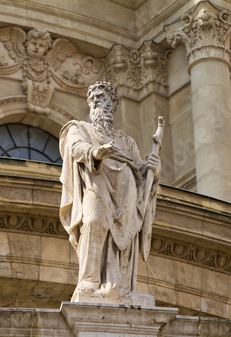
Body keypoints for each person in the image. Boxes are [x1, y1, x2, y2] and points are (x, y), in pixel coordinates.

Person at [59, 81, 161, 301]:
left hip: (127, 191)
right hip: (97, 180)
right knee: (94, 221)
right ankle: (90, 279)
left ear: (112, 105)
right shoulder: (80, 128)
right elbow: (75, 146)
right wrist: (96, 152)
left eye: (103, 98)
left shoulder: (126, 141)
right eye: (94, 98)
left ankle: (118, 283)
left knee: (123, 237)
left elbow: (141, 171)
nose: (97, 101)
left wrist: (154, 167)